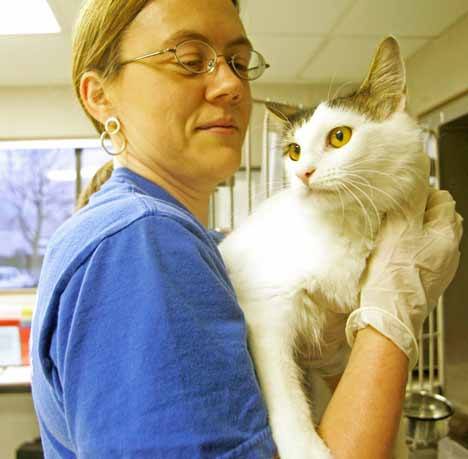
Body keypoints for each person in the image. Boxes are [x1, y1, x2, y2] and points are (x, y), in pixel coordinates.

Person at [30, 0, 462, 458]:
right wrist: (388, 324)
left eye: (238, 62)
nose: (230, 84)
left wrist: (337, 354)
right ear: (100, 96)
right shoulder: (140, 241)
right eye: (190, 60)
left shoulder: (197, 245)